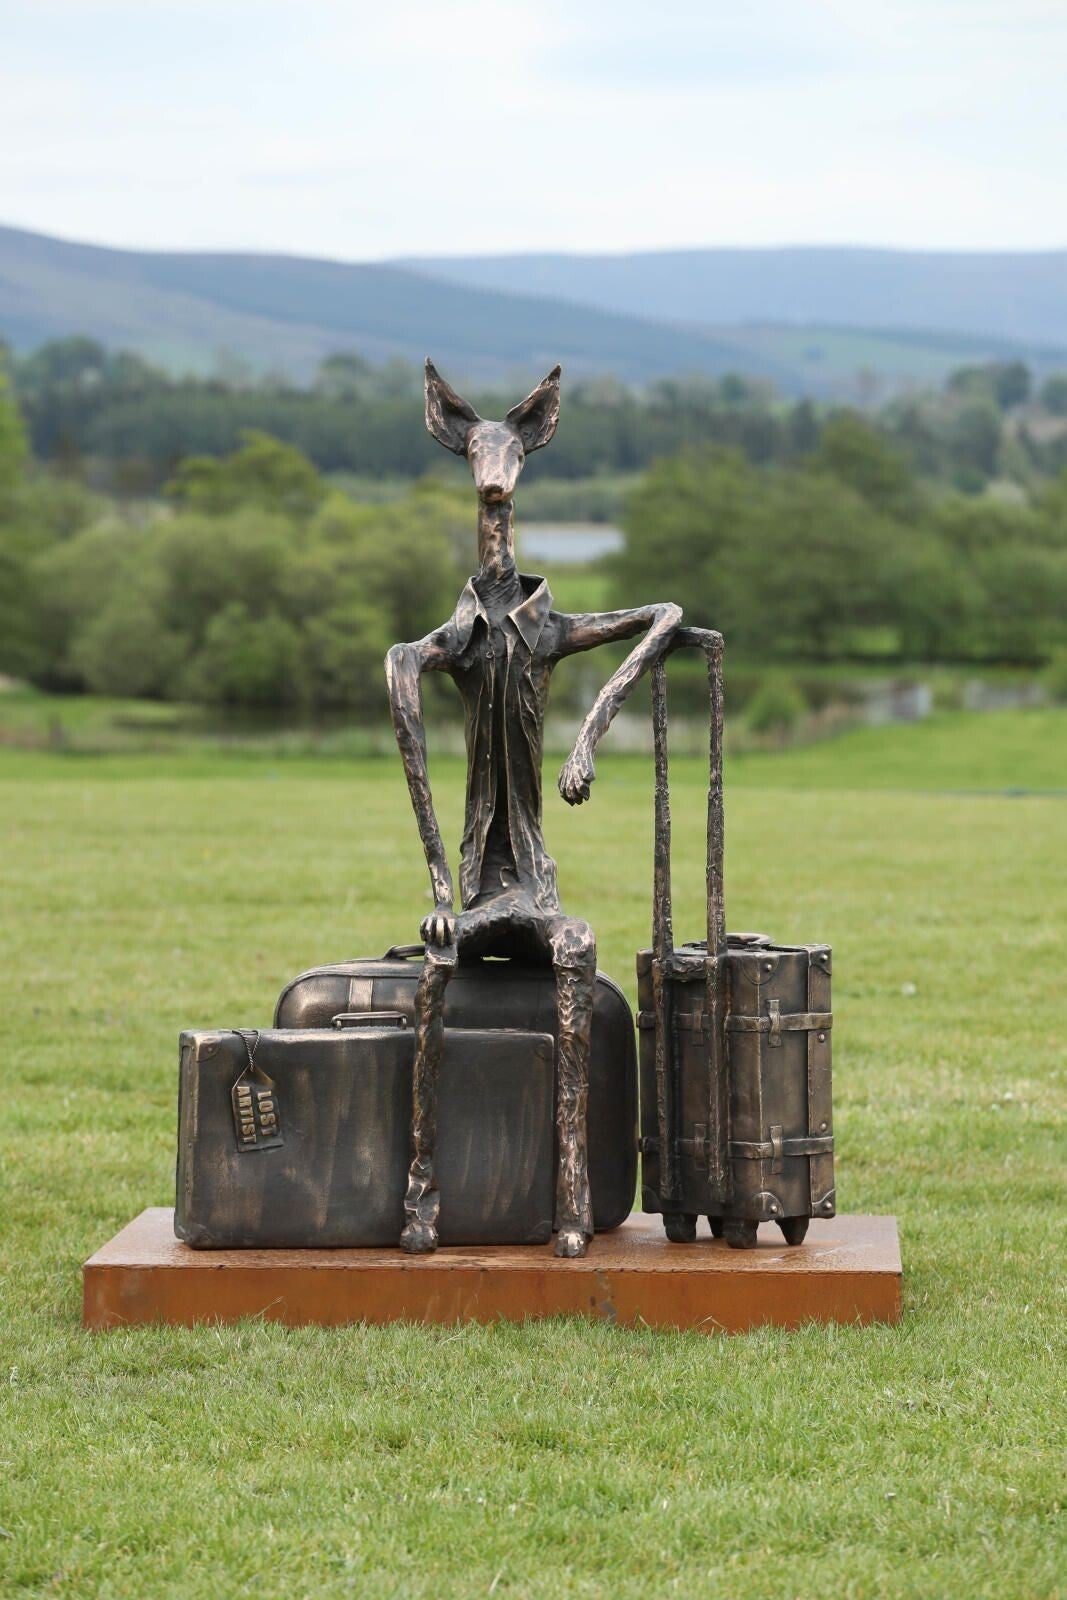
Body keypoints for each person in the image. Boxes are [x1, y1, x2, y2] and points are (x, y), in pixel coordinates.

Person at [386, 359, 681, 1258]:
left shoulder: (548, 627)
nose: (494, 475)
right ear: (458, 445)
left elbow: (665, 615)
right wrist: (441, 885)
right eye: (482, 455)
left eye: (507, 456)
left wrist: (592, 729)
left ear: (528, 448)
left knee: (577, 950)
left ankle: (571, 1198)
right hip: (477, 894)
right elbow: (402, 670)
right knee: (434, 969)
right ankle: (421, 1191)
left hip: (535, 893)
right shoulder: (459, 636)